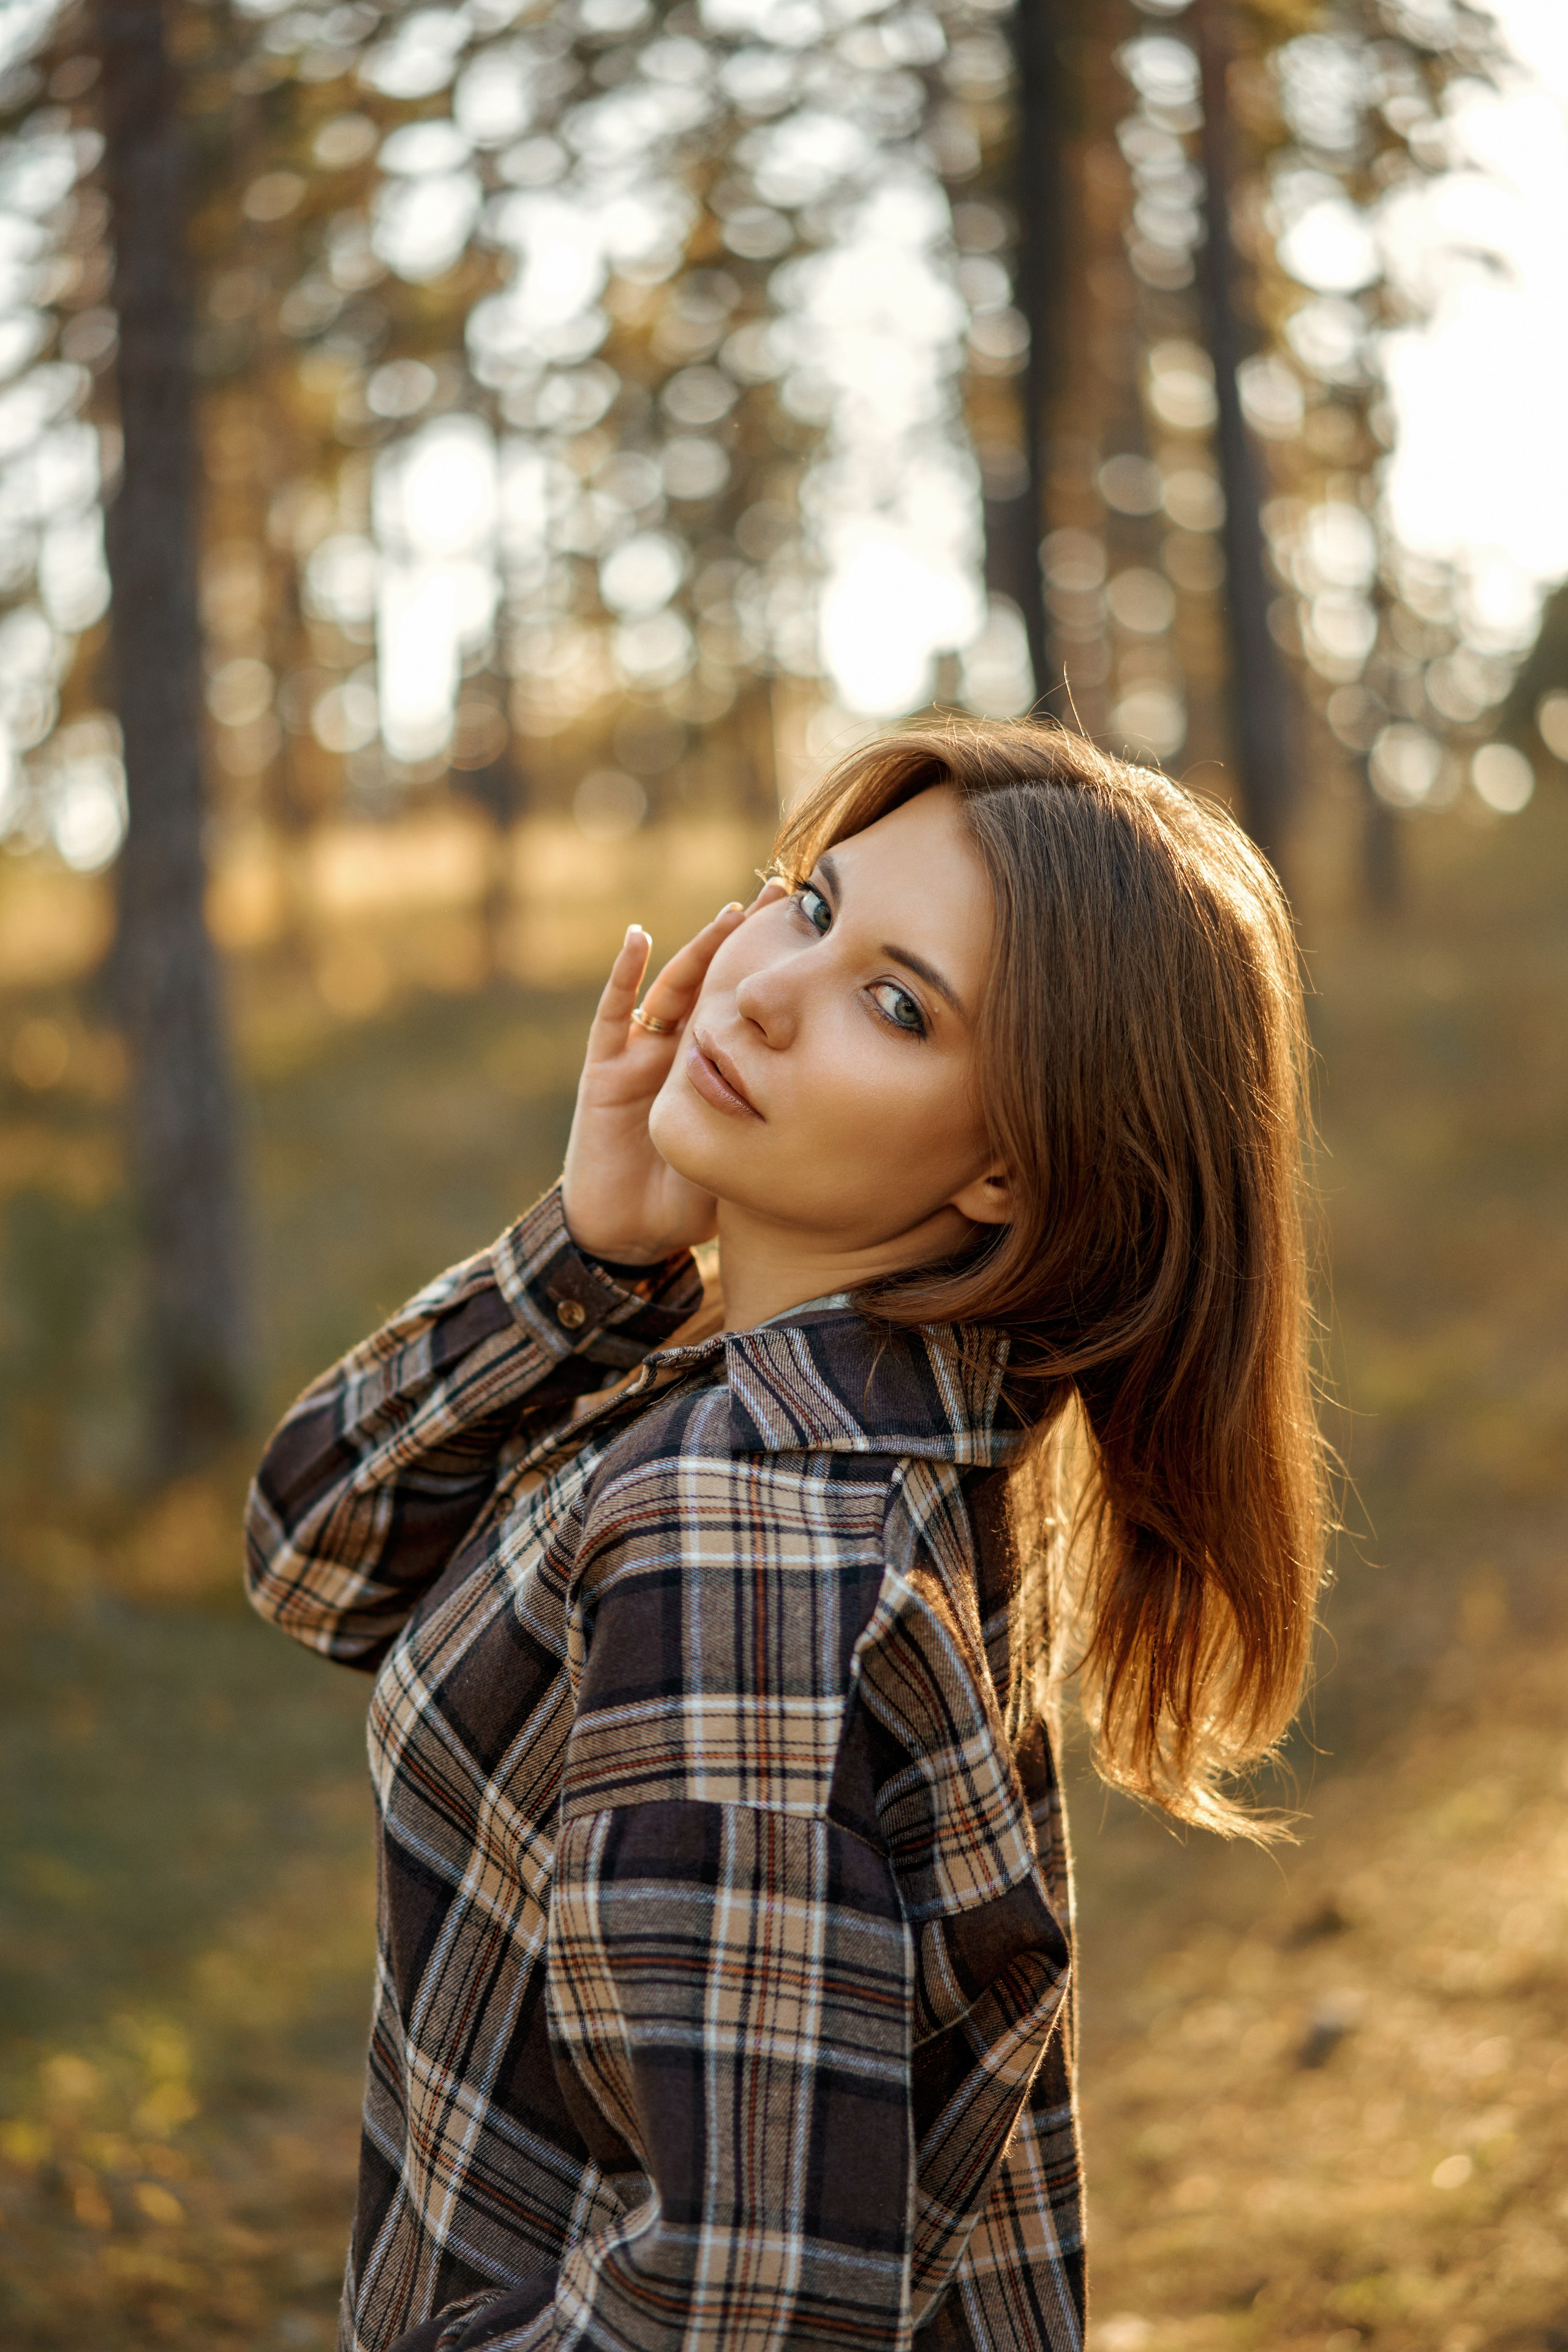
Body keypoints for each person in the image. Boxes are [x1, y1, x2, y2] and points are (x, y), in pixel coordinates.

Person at [246, 721, 1324, 2352]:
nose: (759, 986)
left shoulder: (750, 1527)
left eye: (897, 1005)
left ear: (1012, 1178)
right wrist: (592, 1253)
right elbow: (319, 1551)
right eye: (809, 906)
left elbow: (742, 2318)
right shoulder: (830, 1407)